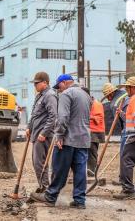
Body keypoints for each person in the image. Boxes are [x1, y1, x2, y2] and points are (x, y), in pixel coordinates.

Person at [30, 74, 92, 209]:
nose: (59, 90)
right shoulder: (85, 95)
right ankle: (80, 200)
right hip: (83, 139)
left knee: (59, 169)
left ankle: (50, 196)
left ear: (64, 83)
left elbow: (62, 117)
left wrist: (59, 135)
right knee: (80, 170)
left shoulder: (66, 94)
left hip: (67, 139)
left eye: (59, 87)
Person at [26, 72, 57, 192]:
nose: (35, 86)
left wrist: (44, 133)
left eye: (37, 83)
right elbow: (35, 114)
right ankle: (43, 185)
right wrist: (29, 127)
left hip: (43, 135)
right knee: (36, 161)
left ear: (45, 82)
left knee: (39, 162)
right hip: (36, 133)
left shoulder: (50, 95)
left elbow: (53, 116)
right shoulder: (40, 95)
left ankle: (45, 187)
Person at [102, 82, 128, 185]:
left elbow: (119, 122)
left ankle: (123, 180)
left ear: (110, 94)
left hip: (128, 131)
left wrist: (124, 133)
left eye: (107, 96)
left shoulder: (114, 103)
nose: (107, 99)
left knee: (124, 156)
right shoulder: (126, 94)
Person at [113, 77, 135, 199]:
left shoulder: (133, 99)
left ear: (133, 87)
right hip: (131, 134)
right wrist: (122, 113)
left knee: (126, 161)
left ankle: (128, 190)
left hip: (132, 135)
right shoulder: (131, 99)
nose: (126, 89)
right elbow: (130, 117)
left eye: (128, 87)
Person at [84, 89, 105, 177]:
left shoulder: (96, 104)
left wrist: (86, 116)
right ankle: (91, 171)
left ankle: (91, 172)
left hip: (94, 131)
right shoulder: (92, 103)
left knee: (92, 152)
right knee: (91, 152)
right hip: (92, 131)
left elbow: (97, 119)